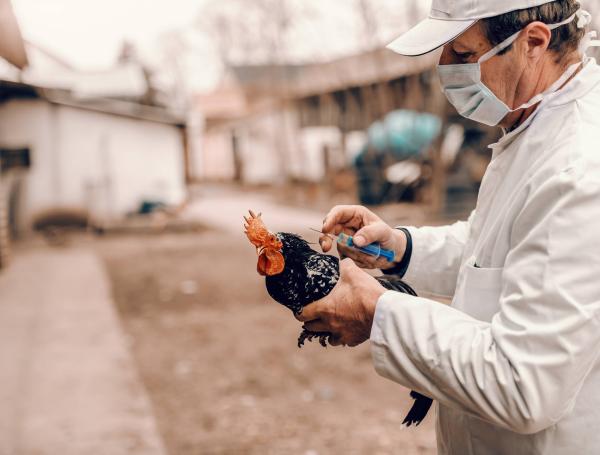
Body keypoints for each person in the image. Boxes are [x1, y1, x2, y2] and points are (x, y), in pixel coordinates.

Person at [296, 1, 600, 453]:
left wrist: (378, 313)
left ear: (533, 42)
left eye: (461, 53)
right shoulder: (531, 131)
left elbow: (523, 385)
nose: (445, 69)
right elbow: (495, 247)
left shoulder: (578, 169)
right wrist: (399, 247)